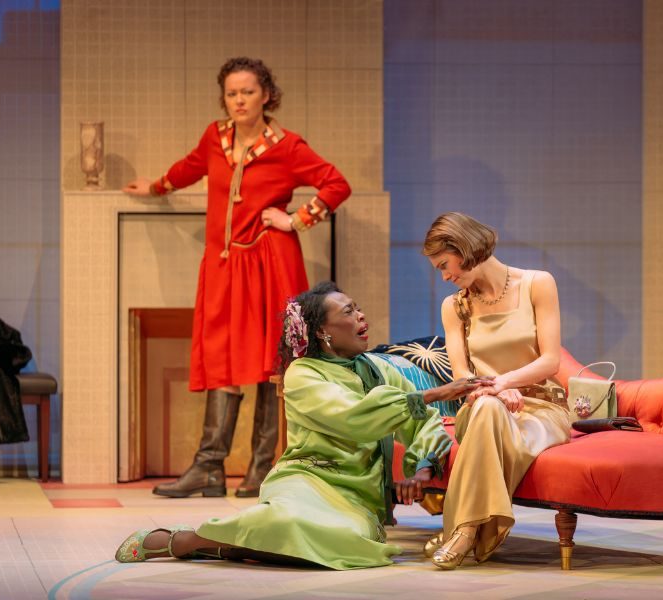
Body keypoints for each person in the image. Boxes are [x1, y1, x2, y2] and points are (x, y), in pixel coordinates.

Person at [115, 282, 488, 569]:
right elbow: (353, 418)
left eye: (358, 308)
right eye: (348, 312)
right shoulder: (303, 375)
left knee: (347, 543)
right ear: (324, 332)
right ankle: (184, 541)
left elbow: (423, 426)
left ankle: (225, 546)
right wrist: (431, 394)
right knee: (288, 520)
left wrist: (422, 468)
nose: (360, 316)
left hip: (358, 495)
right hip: (308, 479)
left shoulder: (380, 368)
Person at [123, 57, 351, 498]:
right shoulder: (216, 136)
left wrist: (297, 219)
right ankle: (208, 467)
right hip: (225, 265)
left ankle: (261, 469)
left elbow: (336, 183)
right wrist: (155, 187)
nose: (239, 100)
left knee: (270, 360)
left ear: (266, 94)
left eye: (247, 91)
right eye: (231, 93)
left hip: (270, 262)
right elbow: (189, 167)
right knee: (221, 356)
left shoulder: (287, 146)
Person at [420, 212, 571, 569]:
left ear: (464, 247)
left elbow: (551, 361)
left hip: (539, 408)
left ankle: (461, 529)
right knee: (487, 410)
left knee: (491, 409)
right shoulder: (455, 306)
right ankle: (470, 530)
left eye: (445, 264)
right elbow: (462, 377)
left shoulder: (538, 283)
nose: (445, 277)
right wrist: (494, 392)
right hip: (481, 406)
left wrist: (505, 383)